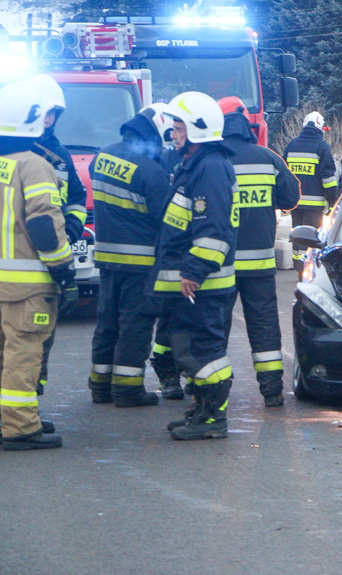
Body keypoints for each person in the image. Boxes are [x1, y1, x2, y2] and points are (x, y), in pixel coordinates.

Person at [152, 91, 238, 440]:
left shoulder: (210, 167)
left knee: (202, 351)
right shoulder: (197, 164)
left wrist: (194, 272)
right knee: (188, 349)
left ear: (198, 128)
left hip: (202, 284)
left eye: (179, 127)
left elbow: (214, 229)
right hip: (190, 281)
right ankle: (202, 410)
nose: (173, 134)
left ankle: (213, 418)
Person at [0, 81, 78, 451]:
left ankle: (10, 419)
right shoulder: (34, 166)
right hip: (28, 284)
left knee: (4, 352)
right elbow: (44, 225)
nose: (50, 120)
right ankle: (19, 427)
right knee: (23, 351)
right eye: (46, 113)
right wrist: (64, 269)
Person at [87, 105, 172, 407]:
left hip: (108, 259)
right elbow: (169, 220)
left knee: (107, 323)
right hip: (141, 263)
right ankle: (127, 390)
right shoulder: (152, 171)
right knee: (135, 326)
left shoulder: (103, 155)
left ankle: (100, 387)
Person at [217, 96, 300, 407]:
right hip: (260, 265)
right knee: (264, 325)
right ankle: (272, 391)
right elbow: (290, 198)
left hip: (219, 265)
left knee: (215, 328)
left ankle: (209, 390)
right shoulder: (268, 157)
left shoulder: (212, 161)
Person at [27, 75, 87, 397]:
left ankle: (29, 410)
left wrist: (73, 227)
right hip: (21, 257)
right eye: (43, 112)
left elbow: (76, 196)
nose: (48, 120)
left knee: (40, 343)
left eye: (53, 114)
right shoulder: (14, 149)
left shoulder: (60, 153)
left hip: (52, 256)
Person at [284, 111, 336, 274]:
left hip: (295, 202)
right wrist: (332, 199)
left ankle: (298, 265)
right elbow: (327, 177)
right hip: (314, 205)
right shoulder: (322, 147)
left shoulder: (292, 145)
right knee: (311, 237)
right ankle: (308, 268)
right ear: (320, 128)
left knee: (298, 234)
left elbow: (284, 173)